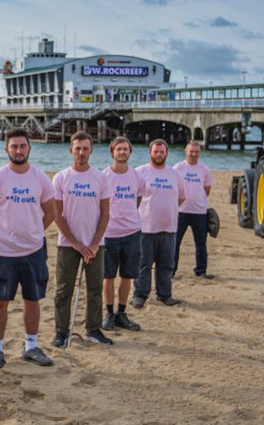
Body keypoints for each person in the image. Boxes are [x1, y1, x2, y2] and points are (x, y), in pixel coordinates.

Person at [0, 127, 56, 369]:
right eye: (14, 146)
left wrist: (34, 232)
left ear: (29, 148)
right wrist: (2, 235)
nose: (19, 150)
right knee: (0, 300)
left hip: (34, 251)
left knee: (32, 300)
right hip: (4, 253)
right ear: (7, 149)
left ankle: (31, 346)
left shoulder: (40, 178)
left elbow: (50, 213)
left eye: (23, 146)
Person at [51, 131, 113, 348]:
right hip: (68, 244)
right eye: (78, 148)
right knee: (63, 290)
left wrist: (94, 243)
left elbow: (105, 213)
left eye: (85, 149)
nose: (81, 153)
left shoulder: (101, 178)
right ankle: (61, 332)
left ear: (91, 151)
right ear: (71, 150)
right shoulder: (61, 178)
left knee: (95, 288)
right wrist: (75, 243)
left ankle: (93, 329)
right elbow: (57, 215)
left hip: (95, 245)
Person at [132, 139, 187, 309]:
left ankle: (164, 295)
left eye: (162, 152)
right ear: (150, 153)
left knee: (166, 264)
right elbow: (132, 197)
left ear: (166, 153)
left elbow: (182, 197)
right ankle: (140, 295)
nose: (158, 154)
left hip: (169, 228)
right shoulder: (140, 172)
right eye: (155, 151)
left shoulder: (175, 174)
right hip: (145, 228)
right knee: (143, 264)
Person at [101, 137, 144, 332]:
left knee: (127, 276)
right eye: (118, 149)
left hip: (132, 232)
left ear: (129, 152)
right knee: (108, 276)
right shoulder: (104, 176)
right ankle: (109, 313)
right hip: (109, 233)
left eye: (125, 149)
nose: (122, 152)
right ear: (112, 152)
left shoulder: (137, 176)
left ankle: (121, 313)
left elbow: (138, 198)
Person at [173, 140, 215, 279]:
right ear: (186, 151)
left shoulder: (204, 169)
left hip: (199, 212)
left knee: (201, 243)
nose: (194, 154)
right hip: (181, 211)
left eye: (196, 152)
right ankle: (171, 270)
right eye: (191, 151)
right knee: (175, 243)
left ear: (199, 153)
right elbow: (173, 187)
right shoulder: (178, 167)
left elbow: (206, 190)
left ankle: (201, 270)